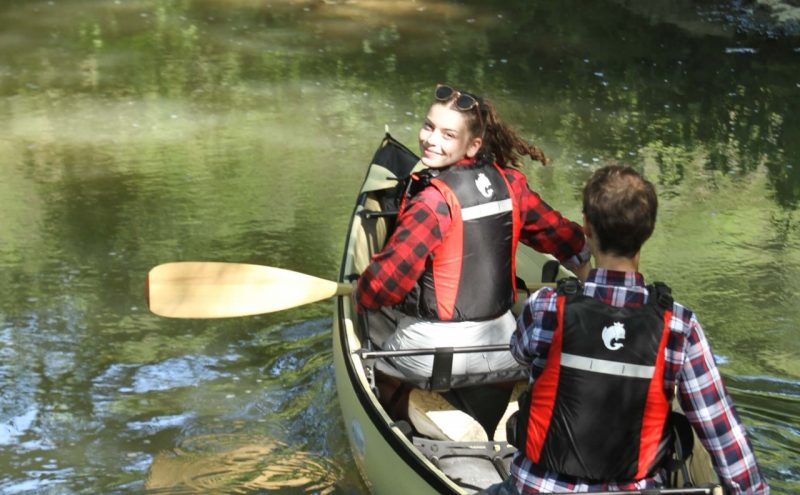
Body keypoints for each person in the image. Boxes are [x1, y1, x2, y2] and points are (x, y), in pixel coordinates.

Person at [487, 165, 769, 494]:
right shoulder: (679, 326)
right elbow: (721, 431)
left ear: (586, 227)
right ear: (646, 233)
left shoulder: (547, 305)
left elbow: (519, 351)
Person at [356, 83, 590, 378]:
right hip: (503, 346)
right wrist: (583, 260)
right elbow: (564, 237)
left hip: (432, 353)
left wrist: (360, 294)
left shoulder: (432, 201)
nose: (431, 140)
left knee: (374, 334)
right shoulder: (511, 184)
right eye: (429, 126)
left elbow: (384, 282)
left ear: (473, 145)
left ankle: (399, 406)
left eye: (447, 134)